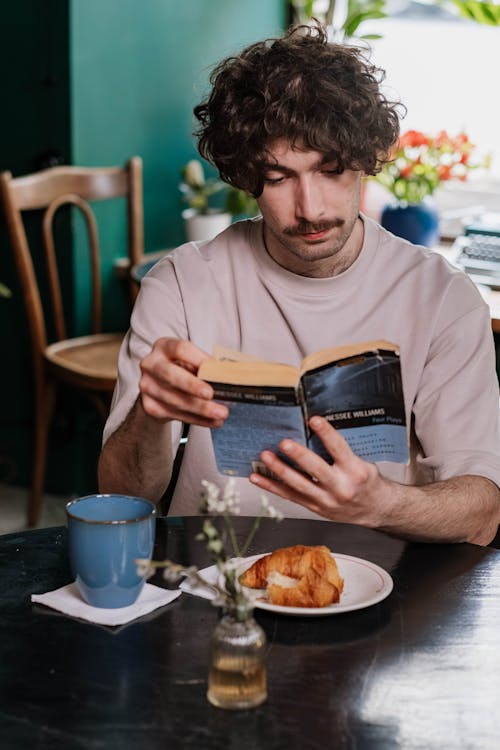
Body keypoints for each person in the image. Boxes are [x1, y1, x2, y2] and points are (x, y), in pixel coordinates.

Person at [98, 24, 500, 545]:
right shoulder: (181, 283)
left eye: (330, 170)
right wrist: (149, 416)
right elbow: (120, 494)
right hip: (213, 584)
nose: (310, 209)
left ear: (365, 161)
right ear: (246, 177)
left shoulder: (443, 297)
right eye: (279, 177)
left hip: (381, 592)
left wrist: (381, 503)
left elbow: (483, 513)